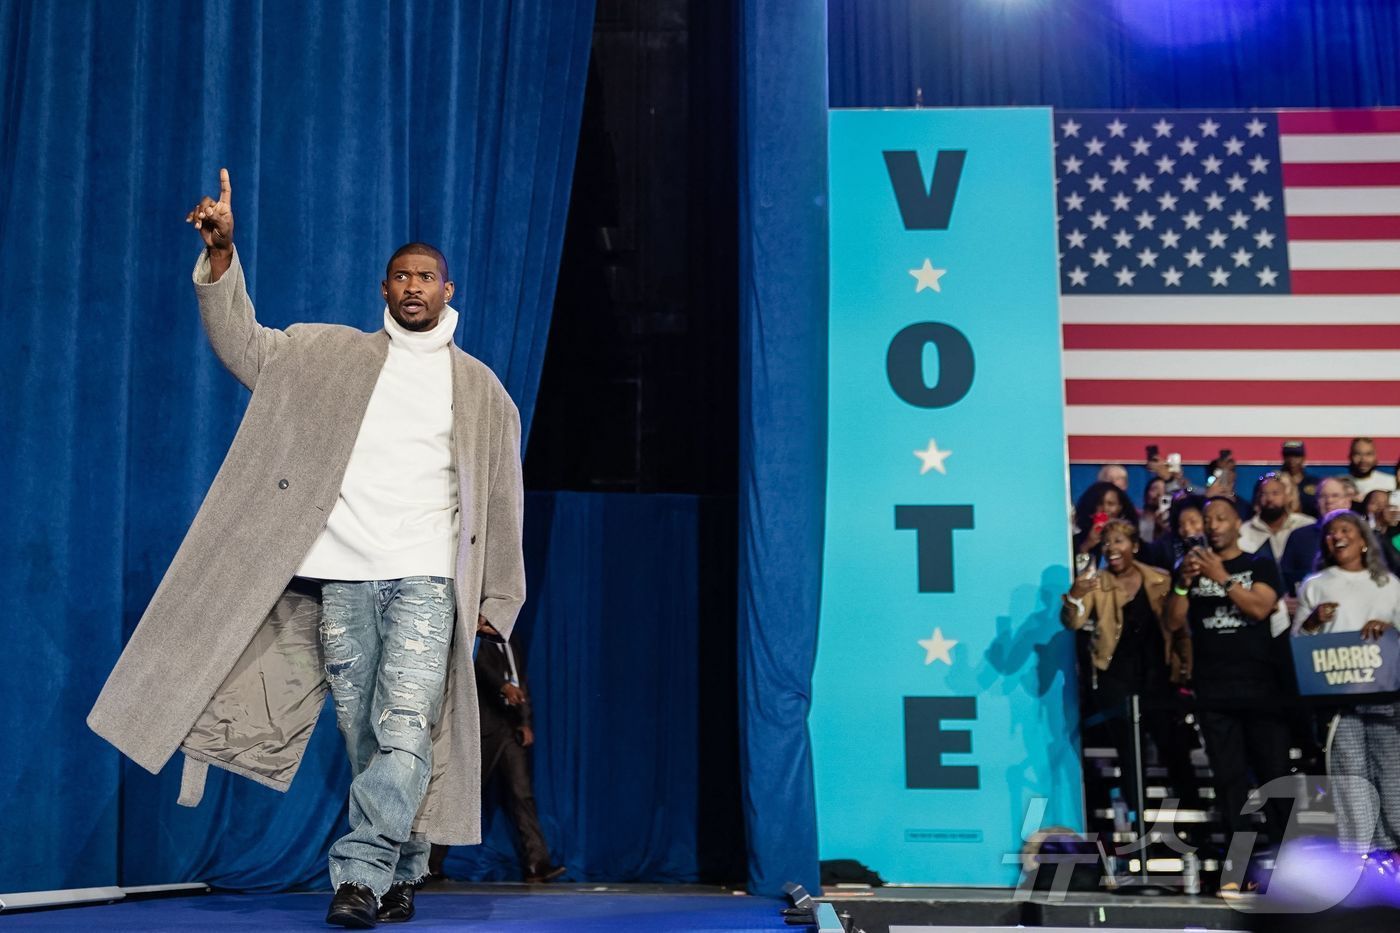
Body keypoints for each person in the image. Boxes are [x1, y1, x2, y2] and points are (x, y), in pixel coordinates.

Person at [87, 170, 527, 928]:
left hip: (424, 577)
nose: (413, 287)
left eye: (427, 277)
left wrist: (496, 601)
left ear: (448, 291)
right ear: (383, 288)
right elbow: (244, 345)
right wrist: (224, 258)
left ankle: (358, 873)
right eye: (401, 276)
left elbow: (502, 501)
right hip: (344, 578)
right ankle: (403, 868)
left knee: (404, 726)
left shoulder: (481, 389)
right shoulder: (328, 355)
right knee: (364, 732)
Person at [1167, 498, 1292, 881]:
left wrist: (1221, 577)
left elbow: (1259, 609)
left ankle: (1290, 865)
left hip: (1260, 687)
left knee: (1273, 775)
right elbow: (1173, 621)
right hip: (1213, 689)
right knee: (1229, 779)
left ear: (1239, 523)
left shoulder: (1259, 564)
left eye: (1222, 518)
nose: (1214, 525)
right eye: (1208, 520)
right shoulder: (1188, 568)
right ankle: (1243, 865)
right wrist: (1185, 585)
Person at [1061, 520, 1195, 821]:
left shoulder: (1160, 579)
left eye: (1119, 541)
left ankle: (1193, 819)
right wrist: (1074, 596)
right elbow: (1073, 622)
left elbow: (1179, 627)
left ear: (1134, 546)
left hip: (1157, 675)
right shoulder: (1097, 584)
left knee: (1173, 746)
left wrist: (1185, 667)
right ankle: (1140, 822)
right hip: (1115, 678)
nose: (1112, 549)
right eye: (1107, 543)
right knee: (1131, 752)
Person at [1293, 510, 1400, 855]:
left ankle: (1393, 852)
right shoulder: (1316, 584)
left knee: (1392, 774)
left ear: (1364, 540)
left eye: (1345, 529)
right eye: (1330, 532)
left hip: (1386, 696)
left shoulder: (1390, 584)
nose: (1336, 536)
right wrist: (1312, 620)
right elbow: (1298, 641)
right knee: (1351, 777)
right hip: (1339, 699)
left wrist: (1389, 630)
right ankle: (1362, 857)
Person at [429, 636, 565, 884]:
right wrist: (503, 686)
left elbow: (521, 682)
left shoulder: (514, 642)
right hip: (483, 729)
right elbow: (479, 667)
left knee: (522, 795)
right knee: (462, 796)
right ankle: (429, 865)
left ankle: (536, 865)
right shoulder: (476, 641)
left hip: (510, 728)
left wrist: (525, 722)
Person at [1279, 477, 1358, 599]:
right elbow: (1284, 577)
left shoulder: (1361, 536)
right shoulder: (1299, 536)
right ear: (1316, 502)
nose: (1329, 501)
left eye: (1335, 496)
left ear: (1348, 502)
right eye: (1323, 497)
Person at [1238, 472, 1316, 563]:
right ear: (1258, 499)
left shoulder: (1306, 525)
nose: (1270, 499)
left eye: (1275, 493)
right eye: (1264, 494)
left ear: (1286, 497)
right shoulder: (1244, 531)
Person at [1074, 481, 1140, 559]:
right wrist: (1087, 544)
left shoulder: (1132, 537)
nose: (1105, 509)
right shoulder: (1077, 540)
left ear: (1120, 507)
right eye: (1100, 504)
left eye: (1111, 504)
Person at [1143, 493, 1207, 572]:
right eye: (1181, 525)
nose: (1186, 528)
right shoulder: (1167, 549)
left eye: (1193, 522)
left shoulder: (1219, 546)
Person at [1280, 441, 1321, 518]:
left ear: (1303, 458)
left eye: (1297, 456)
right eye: (1288, 456)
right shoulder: (1275, 480)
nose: (1292, 460)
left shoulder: (1315, 482)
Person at [1140, 477, 1169, 545]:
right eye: (1155, 489)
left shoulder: (1172, 521)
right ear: (1146, 494)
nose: (1159, 494)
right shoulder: (1137, 518)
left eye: (1164, 490)